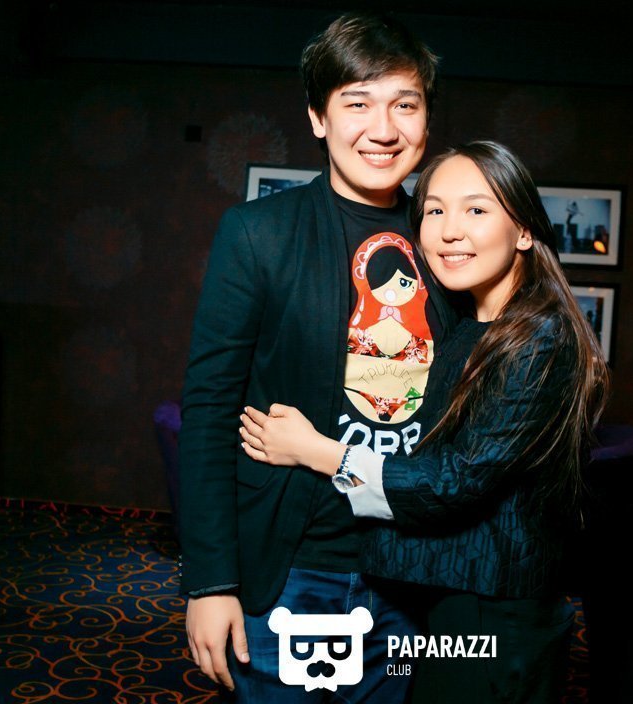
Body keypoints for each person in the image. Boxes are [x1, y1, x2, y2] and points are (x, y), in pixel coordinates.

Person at [240, 140, 611, 703]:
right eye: (435, 210)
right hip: (447, 604)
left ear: (524, 230)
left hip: (492, 619)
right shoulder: (473, 325)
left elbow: (454, 480)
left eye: (476, 209)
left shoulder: (539, 336)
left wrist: (315, 450)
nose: (449, 230)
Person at [178, 11, 456, 702]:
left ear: (426, 120)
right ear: (317, 118)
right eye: (357, 103)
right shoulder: (259, 235)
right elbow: (209, 412)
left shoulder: (450, 242)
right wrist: (210, 583)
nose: (383, 128)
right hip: (291, 572)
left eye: (405, 104)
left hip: (415, 576)